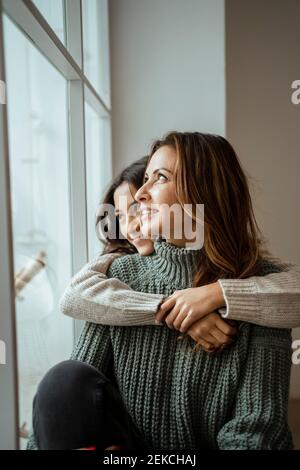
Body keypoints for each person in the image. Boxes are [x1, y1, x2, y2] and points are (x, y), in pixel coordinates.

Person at [28, 132, 297, 450]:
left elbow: (255, 432)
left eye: (160, 178)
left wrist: (216, 295)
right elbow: (67, 398)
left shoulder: (264, 290)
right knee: (62, 379)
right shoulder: (119, 276)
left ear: (205, 190)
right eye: (145, 178)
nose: (141, 194)